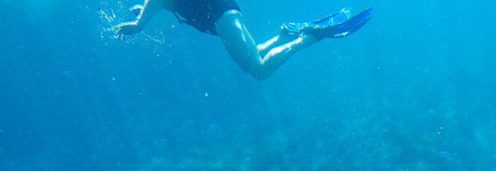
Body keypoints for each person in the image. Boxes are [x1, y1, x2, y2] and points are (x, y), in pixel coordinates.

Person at [114, 1, 372, 80]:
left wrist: (139, 25)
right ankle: (285, 34)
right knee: (253, 55)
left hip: (220, 16)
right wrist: (145, 13)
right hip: (221, 15)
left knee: (257, 69)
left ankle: (308, 37)